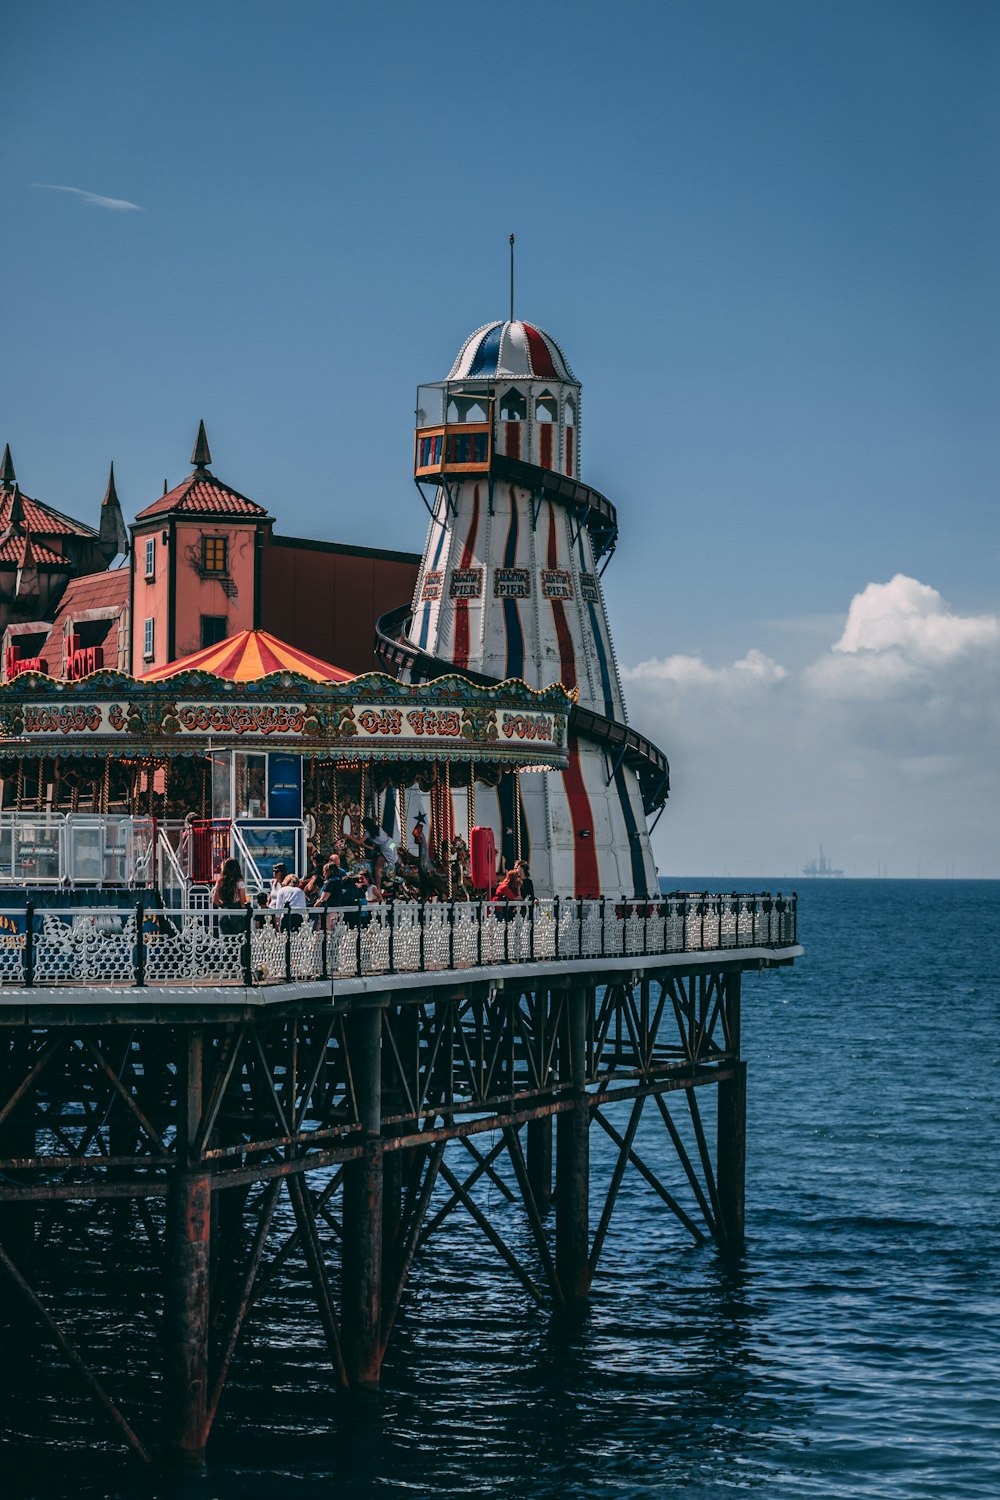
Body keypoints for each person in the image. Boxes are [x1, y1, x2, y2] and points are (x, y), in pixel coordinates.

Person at [363, 817, 398, 892]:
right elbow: (386, 834)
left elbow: (359, 842)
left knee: (377, 868)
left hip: (385, 848)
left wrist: (349, 837)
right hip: (391, 842)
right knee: (391, 859)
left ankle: (378, 888)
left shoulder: (368, 833)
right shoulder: (378, 828)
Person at [212, 858, 247, 934]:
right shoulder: (240, 881)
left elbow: (215, 900)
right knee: (238, 940)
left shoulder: (220, 881)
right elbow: (242, 901)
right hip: (237, 913)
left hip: (224, 912)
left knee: (226, 941)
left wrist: (223, 904)